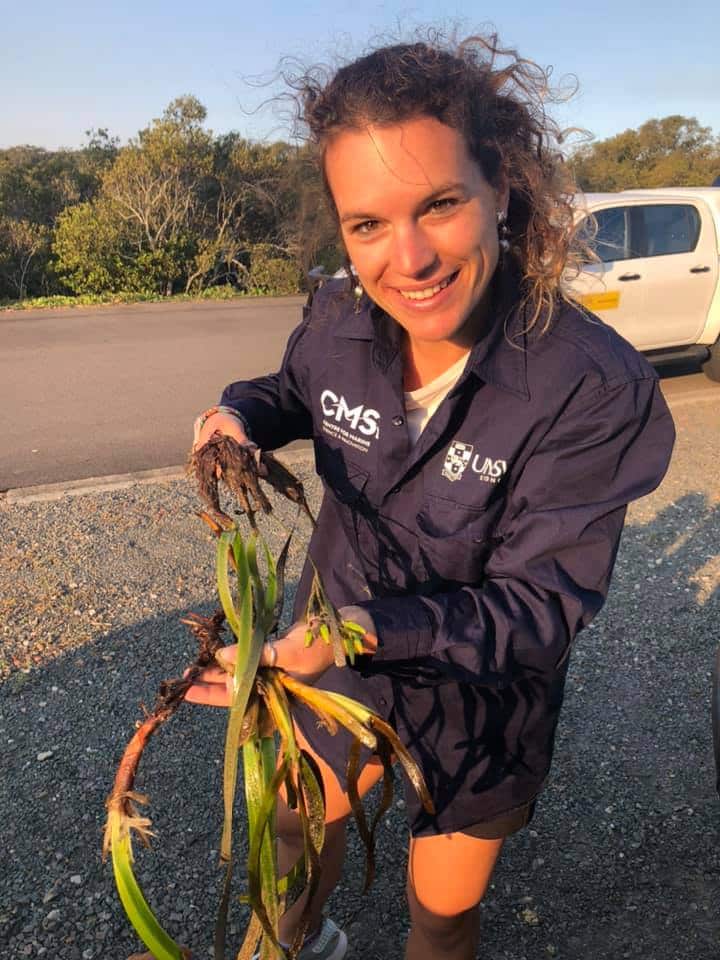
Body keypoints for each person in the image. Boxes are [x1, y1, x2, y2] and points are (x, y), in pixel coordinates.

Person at [185, 35, 675, 960]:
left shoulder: (590, 385)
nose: (407, 258)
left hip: (481, 696)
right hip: (331, 658)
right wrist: (235, 415)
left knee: (441, 917)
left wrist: (356, 630)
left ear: (501, 189)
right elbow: (288, 389)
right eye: (367, 224)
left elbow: (540, 607)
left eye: (440, 205)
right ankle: (305, 942)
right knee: (290, 841)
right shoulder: (338, 318)